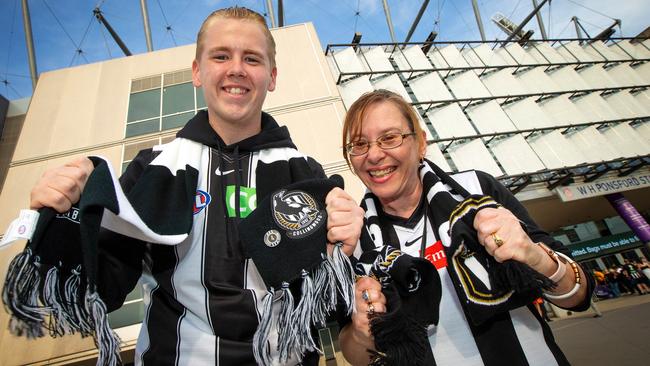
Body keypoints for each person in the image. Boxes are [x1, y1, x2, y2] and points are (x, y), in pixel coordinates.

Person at [27, 7, 364, 365]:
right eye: (221, 56)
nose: (236, 68)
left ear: (272, 76)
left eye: (252, 58)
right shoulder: (153, 167)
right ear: (197, 71)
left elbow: (335, 304)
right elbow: (102, 289)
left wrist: (341, 252)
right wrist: (61, 217)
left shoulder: (307, 174)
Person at [337, 89, 594, 365]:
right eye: (360, 144)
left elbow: (578, 295)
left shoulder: (477, 191)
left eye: (389, 138)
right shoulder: (354, 238)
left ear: (421, 143)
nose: (374, 155)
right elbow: (355, 355)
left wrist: (535, 257)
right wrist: (363, 331)